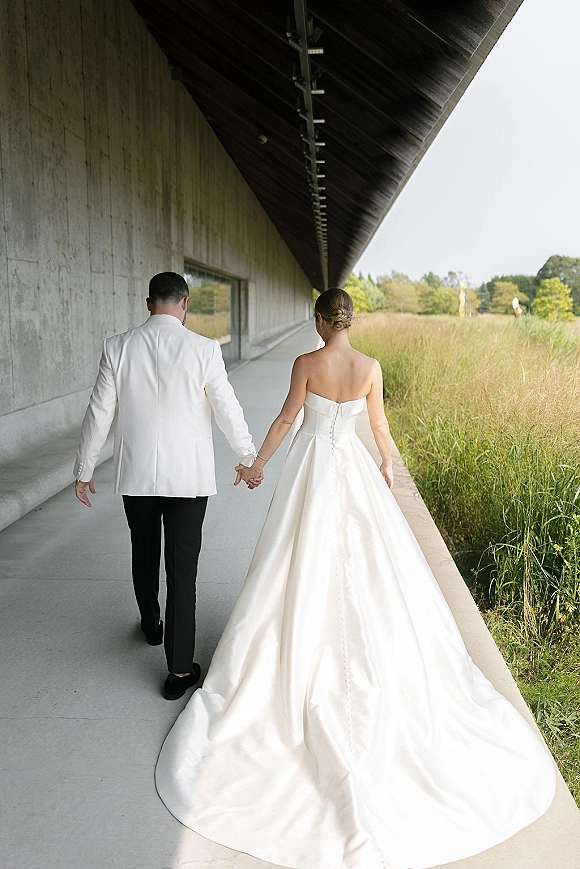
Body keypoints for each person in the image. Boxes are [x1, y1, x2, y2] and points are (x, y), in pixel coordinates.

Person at [155, 288, 556, 868]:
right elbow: (381, 429)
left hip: (311, 470)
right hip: (353, 472)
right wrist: (387, 467)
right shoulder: (370, 368)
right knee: (371, 570)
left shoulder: (306, 364)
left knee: (295, 560)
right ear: (351, 320)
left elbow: (287, 419)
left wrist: (256, 466)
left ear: (321, 320)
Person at [73, 272, 260, 701]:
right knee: (182, 570)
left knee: (143, 549)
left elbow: (98, 412)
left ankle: (151, 624)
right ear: (185, 303)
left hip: (137, 474)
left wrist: (84, 469)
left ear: (148, 303)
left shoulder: (117, 347)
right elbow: (227, 408)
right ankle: (178, 670)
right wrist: (247, 458)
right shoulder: (204, 349)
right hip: (188, 478)